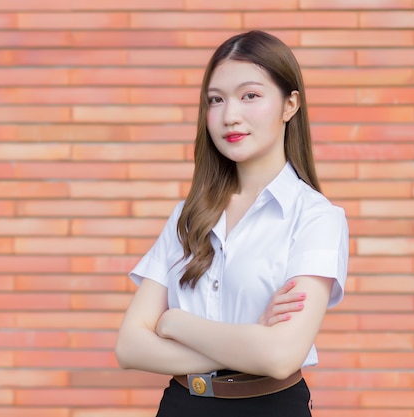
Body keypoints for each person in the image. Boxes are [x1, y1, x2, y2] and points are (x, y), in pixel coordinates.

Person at [115, 30, 349, 416]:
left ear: (290, 105)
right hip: (182, 405)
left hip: (270, 407)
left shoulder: (316, 217)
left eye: (250, 96)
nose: (229, 116)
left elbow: (279, 357)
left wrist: (174, 322)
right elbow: (129, 347)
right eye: (215, 100)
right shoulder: (188, 215)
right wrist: (248, 342)